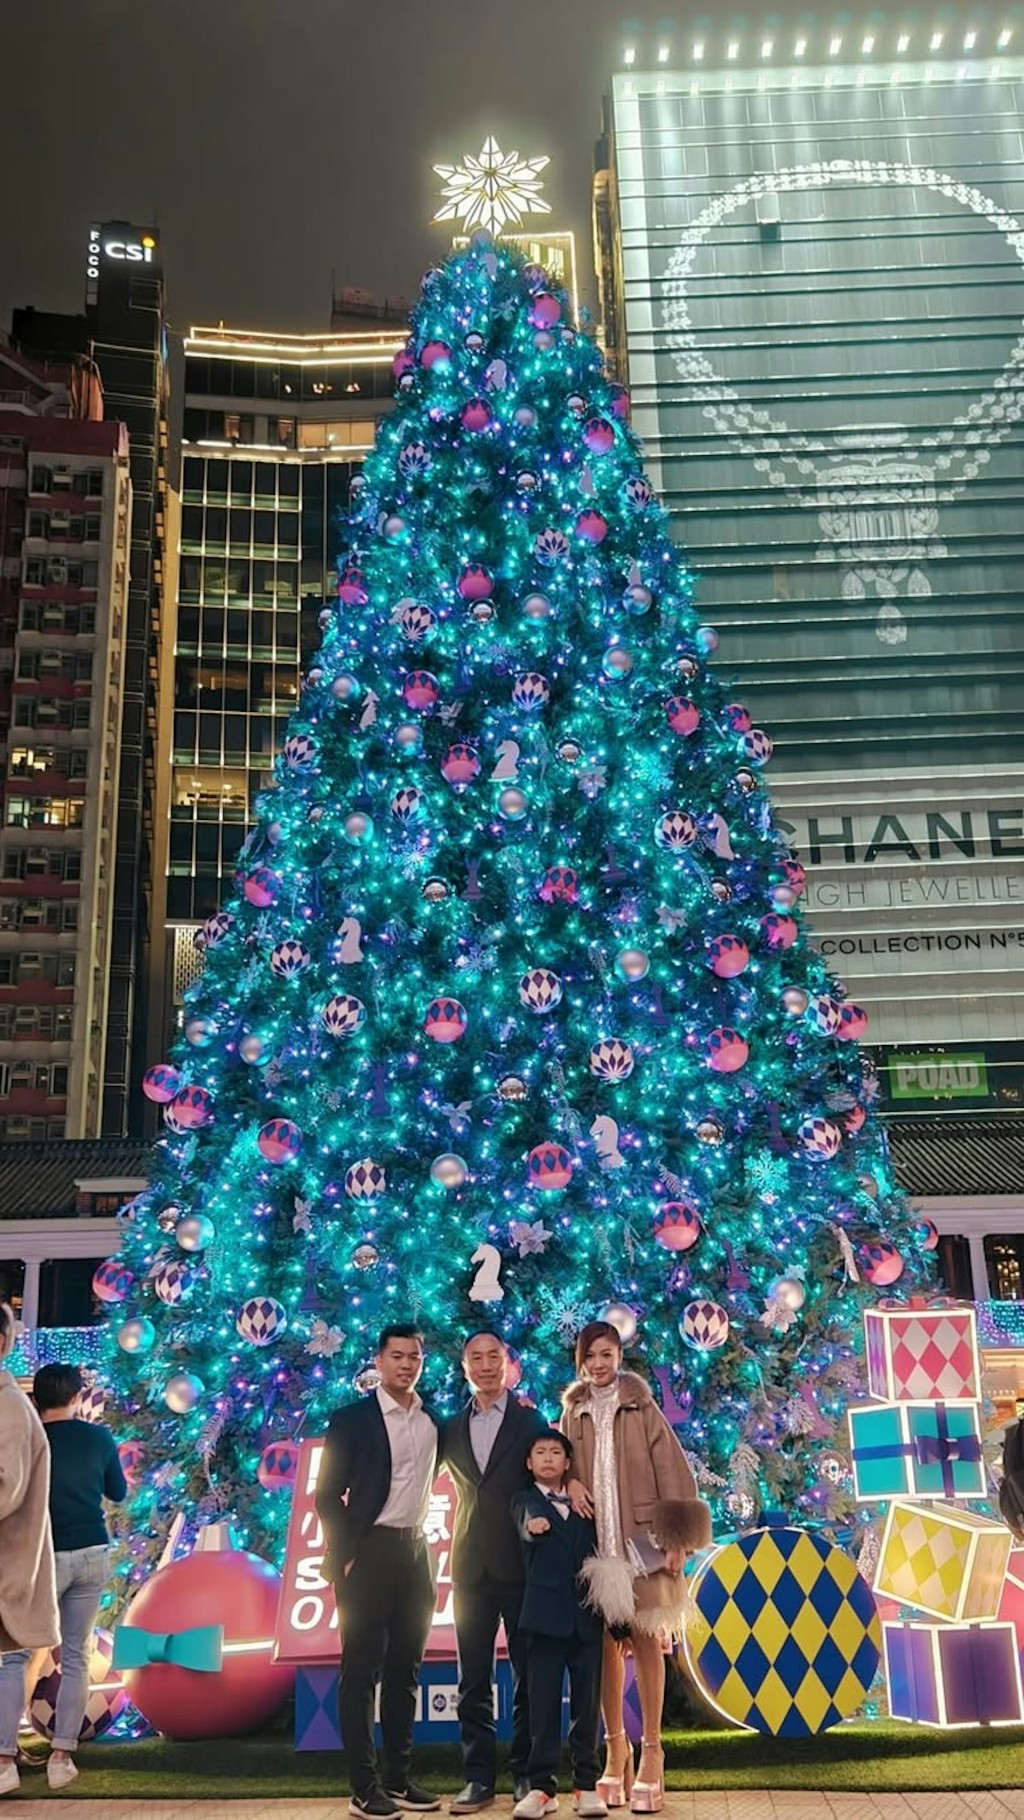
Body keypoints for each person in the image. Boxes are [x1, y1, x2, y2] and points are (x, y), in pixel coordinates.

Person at [561, 1322, 711, 1815]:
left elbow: (672, 1467)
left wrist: (678, 1540)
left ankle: (652, 1749)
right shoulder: (572, 1410)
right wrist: (571, 1485)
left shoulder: (640, 1406)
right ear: (581, 1361)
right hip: (596, 1546)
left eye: (607, 1354)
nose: (599, 1364)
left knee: (646, 1639)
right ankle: (615, 1746)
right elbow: (558, 1464)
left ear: (619, 1355)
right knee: (601, 1646)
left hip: (642, 1543)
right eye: (591, 1356)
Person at [316, 1324, 442, 1820]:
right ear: (379, 1360)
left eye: (415, 1357)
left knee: (405, 1672)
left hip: (416, 1553)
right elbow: (327, 1493)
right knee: (361, 1671)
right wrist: (346, 1552)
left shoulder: (433, 1421)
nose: (407, 1364)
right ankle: (362, 1787)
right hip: (367, 1552)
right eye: (397, 1356)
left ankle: (398, 1778)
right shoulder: (351, 1420)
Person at [443, 1330, 548, 1814]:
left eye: (494, 1357)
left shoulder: (532, 1422)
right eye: (475, 1358)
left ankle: (527, 1776)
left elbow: (549, 1484)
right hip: (468, 1567)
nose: (485, 1366)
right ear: (464, 1367)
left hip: (522, 1567)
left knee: (529, 1677)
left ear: (507, 1364)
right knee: (473, 1680)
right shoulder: (448, 1427)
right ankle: (478, 1778)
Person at [33, 1363, 127, 1789]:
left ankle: (2, 1760)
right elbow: (118, 1492)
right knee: (76, 1656)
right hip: (91, 1549)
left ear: (37, 1399)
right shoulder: (98, 1437)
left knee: (14, 1654)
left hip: (41, 1553)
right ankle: (61, 1756)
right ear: (75, 1398)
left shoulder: (30, 1438)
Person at [511, 1431, 606, 1820]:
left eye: (556, 1453)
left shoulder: (586, 1502)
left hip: (586, 1617)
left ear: (568, 1463)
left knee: (587, 1705)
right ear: (529, 1463)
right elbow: (522, 1521)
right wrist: (531, 1525)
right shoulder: (524, 1500)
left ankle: (586, 1785)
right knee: (543, 1705)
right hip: (544, 1620)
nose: (548, 1458)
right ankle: (541, 1788)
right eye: (540, 1453)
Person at [0, 1303, 59, 1799]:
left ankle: (3, 1761)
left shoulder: (9, 1407)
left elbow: (6, 1487)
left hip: (8, 1569)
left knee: (6, 1661)